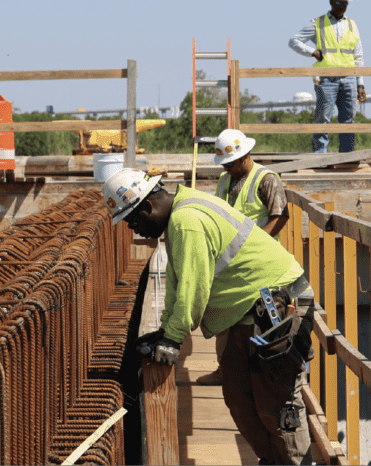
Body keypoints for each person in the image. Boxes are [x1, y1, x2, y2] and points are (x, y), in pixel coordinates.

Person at [102, 168, 315, 465]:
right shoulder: (180, 215)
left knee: (277, 404)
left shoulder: (187, 220)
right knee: (239, 397)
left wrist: (174, 339)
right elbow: (178, 283)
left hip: (277, 305)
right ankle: (272, 460)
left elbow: (195, 289)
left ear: (147, 206)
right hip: (248, 310)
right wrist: (165, 331)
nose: (135, 231)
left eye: (134, 221)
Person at [197, 128, 290, 386]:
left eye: (230, 162)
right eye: (223, 163)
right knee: (224, 311)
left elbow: (280, 216)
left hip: (260, 263)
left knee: (260, 316)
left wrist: (256, 243)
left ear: (246, 155)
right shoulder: (225, 180)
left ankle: (261, 371)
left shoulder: (267, 179)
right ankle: (224, 370)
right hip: (231, 262)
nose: (226, 167)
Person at [289, 0, 367, 153]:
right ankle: (319, 157)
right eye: (338, 2)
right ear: (331, 2)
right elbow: (293, 41)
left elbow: (358, 56)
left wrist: (360, 83)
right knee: (323, 119)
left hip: (349, 79)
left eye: (345, 3)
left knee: (348, 120)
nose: (341, 6)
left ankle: (347, 156)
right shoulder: (318, 23)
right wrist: (312, 52)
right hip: (326, 79)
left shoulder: (353, 25)